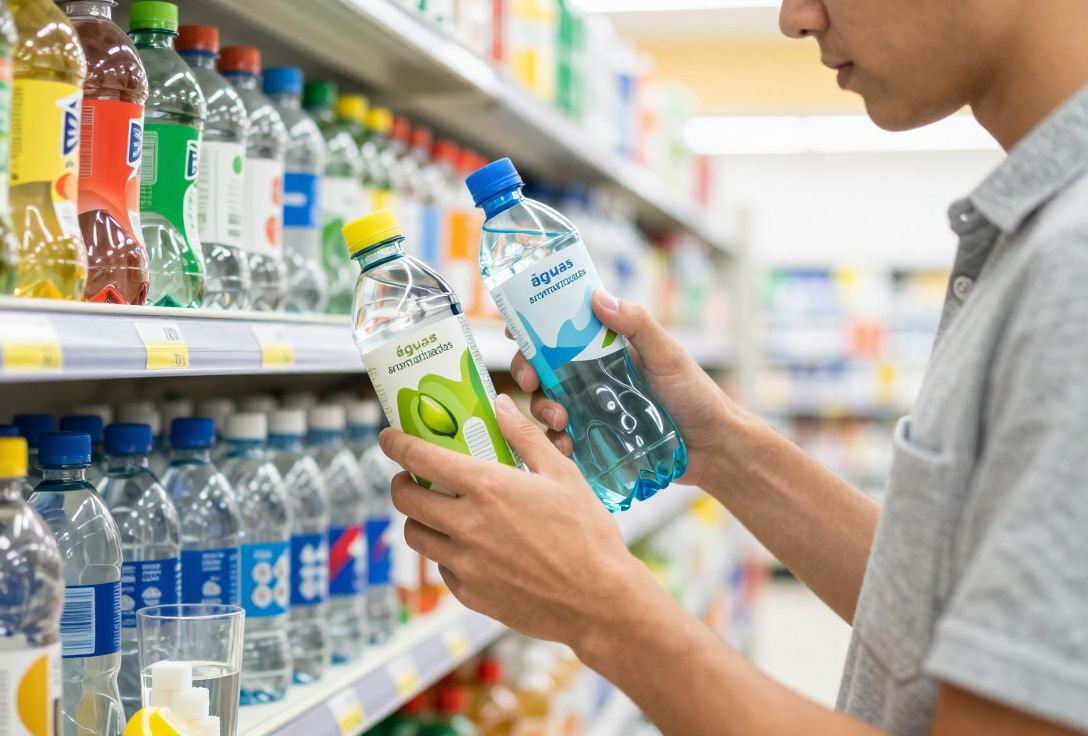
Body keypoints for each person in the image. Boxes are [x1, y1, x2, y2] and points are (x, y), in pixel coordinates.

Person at [378, 0, 1088, 734]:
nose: (793, 17)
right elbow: (957, 606)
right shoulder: (1038, 232)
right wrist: (721, 447)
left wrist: (599, 604)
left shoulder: (1074, 262)